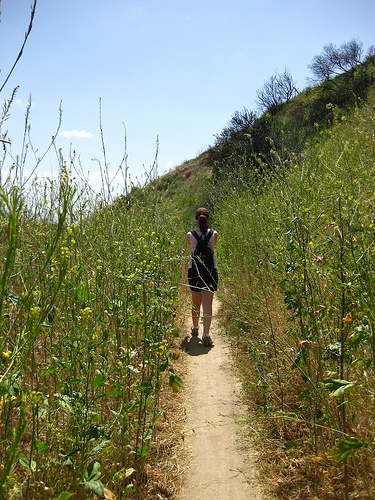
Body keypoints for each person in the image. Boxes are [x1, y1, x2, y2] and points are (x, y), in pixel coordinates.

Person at [187, 207, 218, 346]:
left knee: (196, 302)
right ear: (208, 219)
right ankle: (206, 334)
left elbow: (191, 248)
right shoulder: (214, 234)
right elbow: (212, 249)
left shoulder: (190, 234)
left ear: (196, 219)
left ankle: (195, 328)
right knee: (207, 303)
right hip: (210, 271)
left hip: (194, 271)